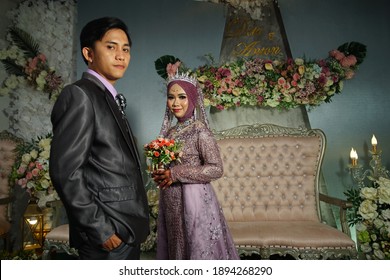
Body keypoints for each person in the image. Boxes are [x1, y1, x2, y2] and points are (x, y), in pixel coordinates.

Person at [49, 17, 149, 260]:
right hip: (107, 234)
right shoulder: (80, 95)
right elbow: (66, 172)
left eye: (126, 49)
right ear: (88, 53)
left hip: (125, 229)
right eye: (110, 47)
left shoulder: (106, 96)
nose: (120, 55)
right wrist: (102, 231)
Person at [152, 64, 240, 260]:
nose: (176, 103)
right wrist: (161, 172)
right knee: (176, 246)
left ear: (192, 98)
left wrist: (175, 174)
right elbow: (167, 165)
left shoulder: (200, 130)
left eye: (182, 97)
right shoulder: (170, 132)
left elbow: (216, 169)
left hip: (195, 200)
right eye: (171, 97)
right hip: (171, 199)